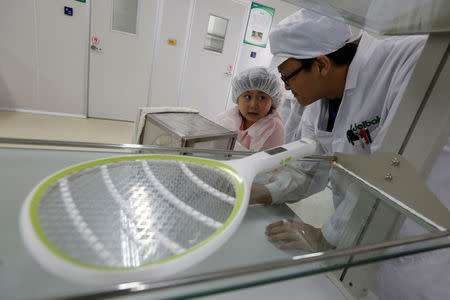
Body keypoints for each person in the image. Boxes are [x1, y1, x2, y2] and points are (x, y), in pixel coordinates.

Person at [251, 8, 449, 300]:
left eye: (287, 78)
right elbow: (310, 167)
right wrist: (261, 192)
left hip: (418, 252)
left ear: (320, 64)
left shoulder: (409, 62)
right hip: (357, 243)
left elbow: (389, 177)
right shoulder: (319, 99)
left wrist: (325, 236)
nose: (286, 88)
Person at [216, 67, 285, 151]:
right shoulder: (230, 116)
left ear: (272, 102)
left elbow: (263, 162)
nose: (253, 105)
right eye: (248, 97)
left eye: (262, 98)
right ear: (237, 99)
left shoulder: (273, 127)